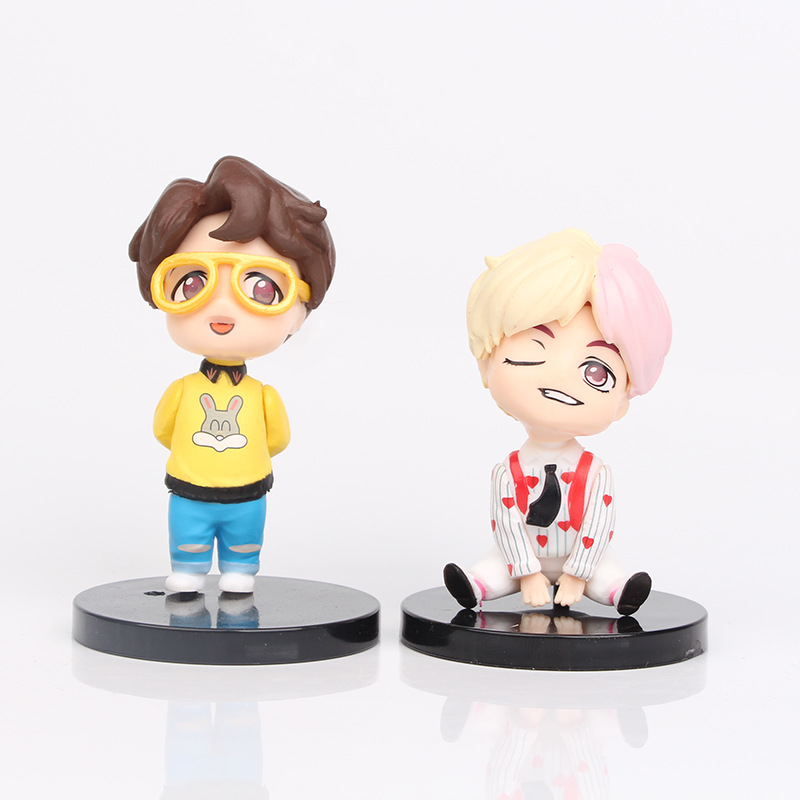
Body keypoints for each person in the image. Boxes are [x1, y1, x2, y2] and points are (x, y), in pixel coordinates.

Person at [129, 156, 335, 593]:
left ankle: (240, 569)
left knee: (244, 539)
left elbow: (276, 439)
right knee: (187, 534)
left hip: (247, 490)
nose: (221, 307)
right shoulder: (184, 390)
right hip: (189, 487)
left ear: (299, 311)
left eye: (260, 287)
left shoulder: (263, 396)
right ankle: (188, 568)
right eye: (192, 283)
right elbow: (164, 430)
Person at [444, 229, 671, 615]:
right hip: (520, 557)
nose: (560, 377)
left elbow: (598, 522)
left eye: (596, 372)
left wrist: (578, 574)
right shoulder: (509, 471)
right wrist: (527, 573)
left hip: (581, 558)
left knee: (608, 576)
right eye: (534, 349)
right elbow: (507, 521)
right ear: (486, 365)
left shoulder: (595, 473)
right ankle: (477, 586)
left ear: (622, 402)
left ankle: (619, 592)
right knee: (491, 571)